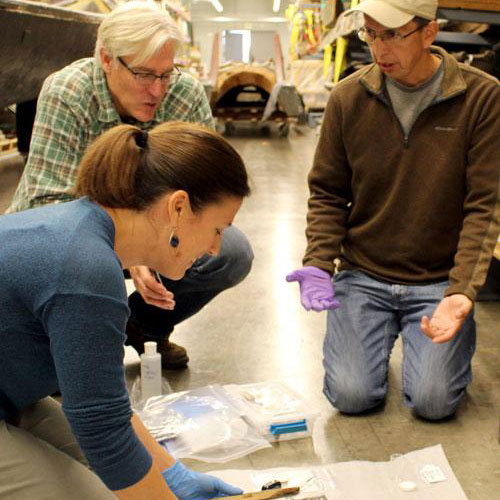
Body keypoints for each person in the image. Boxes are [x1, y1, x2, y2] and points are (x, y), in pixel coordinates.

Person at [0, 121, 250, 499]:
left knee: (123, 479)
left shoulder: (88, 231)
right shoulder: (86, 270)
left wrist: (172, 475)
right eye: (218, 228)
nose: (217, 248)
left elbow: (104, 406)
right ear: (178, 207)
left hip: (11, 392)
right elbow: (104, 431)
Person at [6, 0, 253, 369]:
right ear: (107, 60)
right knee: (78, 284)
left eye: (166, 74)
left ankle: (142, 326)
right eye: (143, 74)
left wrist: (152, 248)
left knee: (231, 253)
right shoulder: (68, 92)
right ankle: (62, 348)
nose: (157, 90)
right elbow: (49, 203)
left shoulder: (183, 95)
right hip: (66, 239)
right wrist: (129, 250)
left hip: (150, 232)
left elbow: (209, 194)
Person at [287, 0, 499, 421]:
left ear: (429, 32)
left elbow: (485, 203)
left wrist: (461, 291)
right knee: (351, 397)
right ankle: (374, 347)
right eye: (371, 33)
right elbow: (328, 191)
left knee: (433, 403)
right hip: (364, 273)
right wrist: (317, 263)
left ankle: (435, 360)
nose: (379, 49)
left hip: (438, 278)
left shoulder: (482, 97)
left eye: (393, 35)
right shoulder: (349, 97)